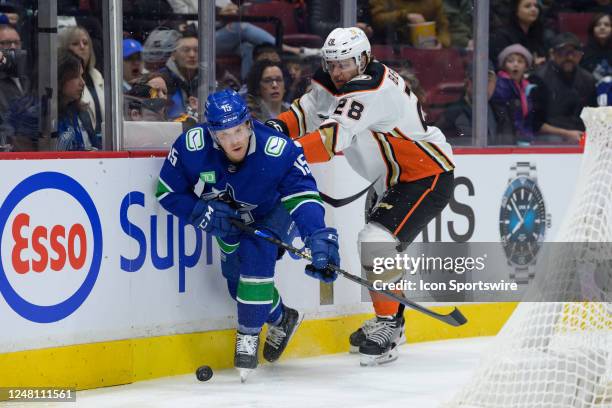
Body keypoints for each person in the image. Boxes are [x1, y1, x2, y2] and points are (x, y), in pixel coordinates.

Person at [267, 27, 455, 366]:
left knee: (375, 240)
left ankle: (390, 325)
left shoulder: (371, 88)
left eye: (346, 63)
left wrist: (274, 152)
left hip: (425, 175)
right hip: (391, 179)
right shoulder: (340, 80)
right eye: (333, 63)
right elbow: (306, 111)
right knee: (379, 246)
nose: (338, 72)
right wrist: (272, 130)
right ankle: (390, 318)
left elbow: (329, 142)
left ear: (364, 59)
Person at [156, 89, 340, 380]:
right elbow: (166, 192)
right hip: (228, 220)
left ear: (249, 124)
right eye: (226, 134)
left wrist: (316, 235)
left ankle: (248, 337)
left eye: (240, 130)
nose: (236, 140)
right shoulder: (192, 146)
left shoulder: (279, 149)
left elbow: (303, 196)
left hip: (273, 212)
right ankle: (283, 318)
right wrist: (200, 212)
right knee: (235, 285)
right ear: (213, 134)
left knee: (258, 252)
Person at [530, 32, 598, 143]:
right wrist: (567, 134)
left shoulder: (588, 79)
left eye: (574, 53)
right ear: (552, 54)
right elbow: (535, 123)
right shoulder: (539, 79)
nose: (569, 57)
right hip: (549, 137)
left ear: (580, 55)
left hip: (581, 135)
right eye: (563, 53)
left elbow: (593, 116)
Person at [435, 61, 508, 145]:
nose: (484, 85)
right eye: (478, 80)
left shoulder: (501, 112)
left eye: (488, 80)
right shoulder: (453, 114)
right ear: (467, 82)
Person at [58, 26, 104, 141]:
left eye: (85, 43)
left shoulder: (97, 75)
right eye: (75, 43)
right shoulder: (51, 115)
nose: (82, 47)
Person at [491, 44, 535, 144]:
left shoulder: (527, 87)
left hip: (523, 137)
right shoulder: (500, 85)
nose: (515, 64)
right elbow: (508, 118)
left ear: (526, 66)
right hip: (507, 139)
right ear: (503, 65)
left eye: (520, 61)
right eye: (510, 61)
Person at [56, 50, 98, 151]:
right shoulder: (44, 118)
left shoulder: (82, 113)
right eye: (75, 76)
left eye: (82, 76)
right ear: (60, 78)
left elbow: (96, 147)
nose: (82, 82)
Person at [489, 0, 549, 69]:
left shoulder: (537, 34)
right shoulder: (502, 36)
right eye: (527, 6)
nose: (533, 9)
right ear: (516, 11)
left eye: (536, 6)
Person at [369, 0, 452, 48]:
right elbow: (376, 20)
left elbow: (443, 27)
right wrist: (404, 16)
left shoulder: (433, 2)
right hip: (390, 49)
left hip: (426, 51)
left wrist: (440, 43)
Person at [160, 28, 199, 121]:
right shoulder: (161, 80)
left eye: (197, 50)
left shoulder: (210, 78)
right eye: (186, 50)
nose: (192, 55)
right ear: (173, 54)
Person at [581, 13, 612, 81]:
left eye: (607, 25)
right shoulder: (582, 52)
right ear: (592, 30)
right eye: (598, 25)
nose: (602, 27)